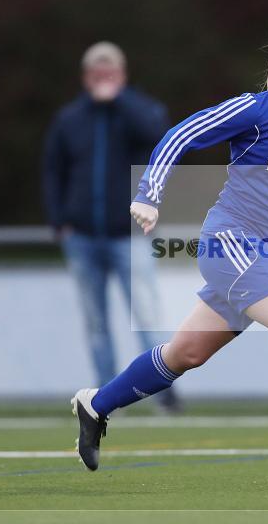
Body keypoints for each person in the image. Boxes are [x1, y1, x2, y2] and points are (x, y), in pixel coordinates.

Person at [71, 17, 268, 476]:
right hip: (230, 241)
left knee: (185, 354)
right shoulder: (256, 110)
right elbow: (181, 134)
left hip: (266, 256)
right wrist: (148, 195)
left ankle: (96, 404)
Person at [44, 41, 181, 413]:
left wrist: (120, 100)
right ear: (86, 78)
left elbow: (160, 137)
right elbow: (53, 170)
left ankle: (164, 393)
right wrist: (59, 220)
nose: (103, 81)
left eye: (110, 75)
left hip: (130, 235)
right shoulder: (69, 119)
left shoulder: (140, 111)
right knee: (96, 324)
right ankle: (104, 401)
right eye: (96, 75)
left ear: (122, 75)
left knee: (147, 318)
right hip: (82, 237)